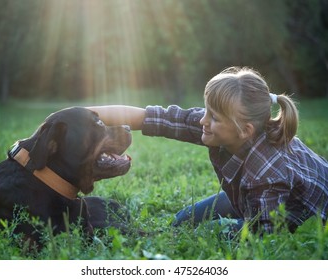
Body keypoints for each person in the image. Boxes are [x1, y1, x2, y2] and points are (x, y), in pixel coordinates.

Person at [87, 66, 328, 234]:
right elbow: (148, 117)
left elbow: (264, 236)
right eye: (206, 111)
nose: (203, 120)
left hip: (299, 214)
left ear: (245, 130)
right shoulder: (221, 127)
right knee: (184, 219)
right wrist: (80, 114)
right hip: (250, 197)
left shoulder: (268, 173)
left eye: (214, 117)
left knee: (214, 230)